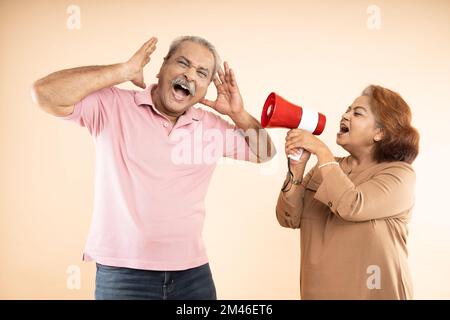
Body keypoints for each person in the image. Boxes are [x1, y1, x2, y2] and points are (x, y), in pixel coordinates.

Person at [32, 35, 275, 300]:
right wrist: (122, 71)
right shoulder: (113, 106)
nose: (190, 75)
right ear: (161, 68)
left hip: (192, 275)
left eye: (202, 73)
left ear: (205, 88)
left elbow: (264, 153)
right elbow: (45, 93)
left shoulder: (210, 125)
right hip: (123, 275)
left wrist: (238, 114)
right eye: (183, 63)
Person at [276, 85, 419, 299]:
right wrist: (296, 169)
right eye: (347, 109)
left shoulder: (399, 175)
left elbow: (352, 205)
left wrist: (322, 152)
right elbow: (288, 218)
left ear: (380, 132)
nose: (345, 115)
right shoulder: (325, 168)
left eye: (357, 113)